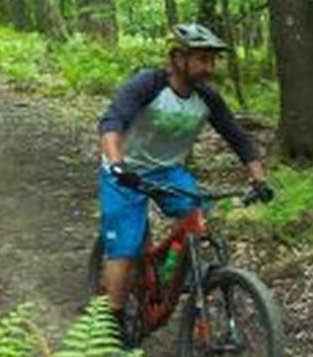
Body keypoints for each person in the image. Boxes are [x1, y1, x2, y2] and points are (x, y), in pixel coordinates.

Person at [97, 22, 267, 316]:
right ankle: (111, 321)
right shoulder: (148, 84)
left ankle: (168, 272)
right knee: (126, 245)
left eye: (212, 59)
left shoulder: (208, 97)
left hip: (167, 171)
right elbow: (111, 123)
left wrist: (259, 178)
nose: (209, 67)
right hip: (126, 172)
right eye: (202, 59)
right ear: (178, 58)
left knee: (196, 216)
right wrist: (116, 164)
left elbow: (238, 138)